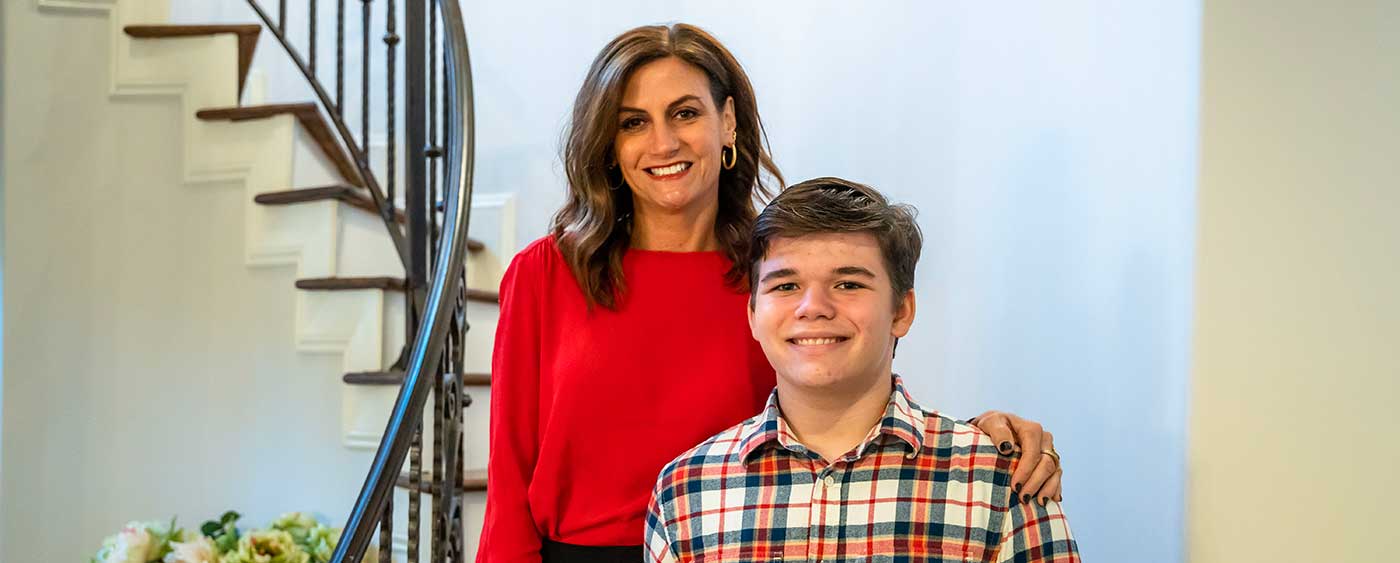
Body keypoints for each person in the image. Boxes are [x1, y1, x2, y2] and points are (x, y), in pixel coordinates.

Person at [478, 24, 1065, 563]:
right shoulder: (548, 273)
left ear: (727, 122)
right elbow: (509, 479)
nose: (662, 143)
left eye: (684, 113)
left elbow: (844, 412)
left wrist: (986, 437)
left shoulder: (777, 279)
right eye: (633, 122)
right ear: (608, 142)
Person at [645, 178, 1079, 562]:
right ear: (753, 315)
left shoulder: (1000, 483)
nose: (813, 307)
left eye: (848, 284)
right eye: (786, 285)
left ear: (902, 311)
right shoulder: (686, 494)